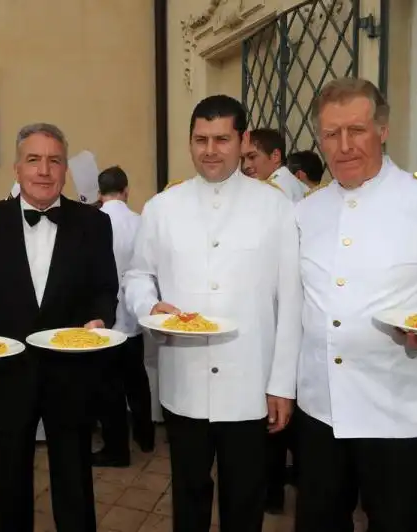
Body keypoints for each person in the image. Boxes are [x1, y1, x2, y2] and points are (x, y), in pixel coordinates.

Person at [294, 77, 417, 532]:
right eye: (330, 134)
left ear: (382, 129)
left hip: (398, 412)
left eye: (356, 130)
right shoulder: (306, 211)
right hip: (321, 410)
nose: (343, 146)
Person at [124, 95, 302, 532]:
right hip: (185, 381)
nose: (210, 150)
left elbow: (291, 300)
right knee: (188, 496)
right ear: (189, 142)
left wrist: (282, 384)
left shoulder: (276, 206)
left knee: (245, 499)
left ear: (243, 141)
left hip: (250, 383)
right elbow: (136, 276)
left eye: (222, 139)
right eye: (201, 139)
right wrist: (149, 306)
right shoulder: (163, 207)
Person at [0, 123, 119, 532]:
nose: (44, 170)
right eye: (34, 159)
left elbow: (105, 290)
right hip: (8, 378)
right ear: (16, 168)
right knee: (9, 491)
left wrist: (100, 320)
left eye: (54, 160)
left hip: (72, 377)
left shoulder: (94, 224)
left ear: (64, 170)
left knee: (75, 488)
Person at [92, 165, 154, 468]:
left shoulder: (94, 221)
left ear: (99, 193)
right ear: (126, 191)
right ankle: (146, 436)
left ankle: (116, 449)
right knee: (136, 379)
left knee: (109, 387)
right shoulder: (140, 221)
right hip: (134, 313)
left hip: (105, 318)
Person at [241, 128, 308, 202]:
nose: (245, 166)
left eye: (252, 157)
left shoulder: (274, 189)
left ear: (275, 156)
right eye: (242, 159)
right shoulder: (288, 181)